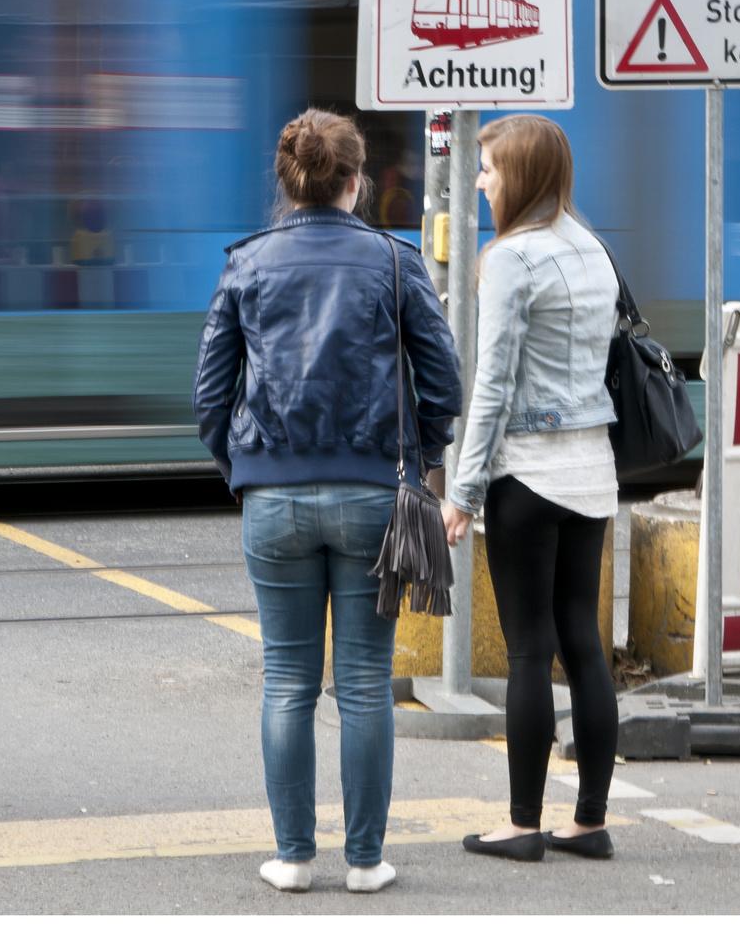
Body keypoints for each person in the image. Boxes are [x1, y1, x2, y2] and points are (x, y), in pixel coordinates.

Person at [194, 109, 461, 893]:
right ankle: (366, 860)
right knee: (364, 681)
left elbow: (211, 395)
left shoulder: (246, 264)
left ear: (287, 182)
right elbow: (441, 381)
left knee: (286, 680)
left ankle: (292, 856)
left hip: (271, 496)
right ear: (356, 180)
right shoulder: (392, 260)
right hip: (374, 492)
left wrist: (241, 466)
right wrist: (425, 456)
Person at [441, 114, 621, 862]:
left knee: (526, 652)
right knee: (582, 642)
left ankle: (520, 823)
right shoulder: (592, 248)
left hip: (528, 474)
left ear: (518, 175)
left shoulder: (510, 258)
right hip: (592, 471)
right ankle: (588, 820)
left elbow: (491, 384)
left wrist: (463, 488)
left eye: (487, 169)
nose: (479, 182)